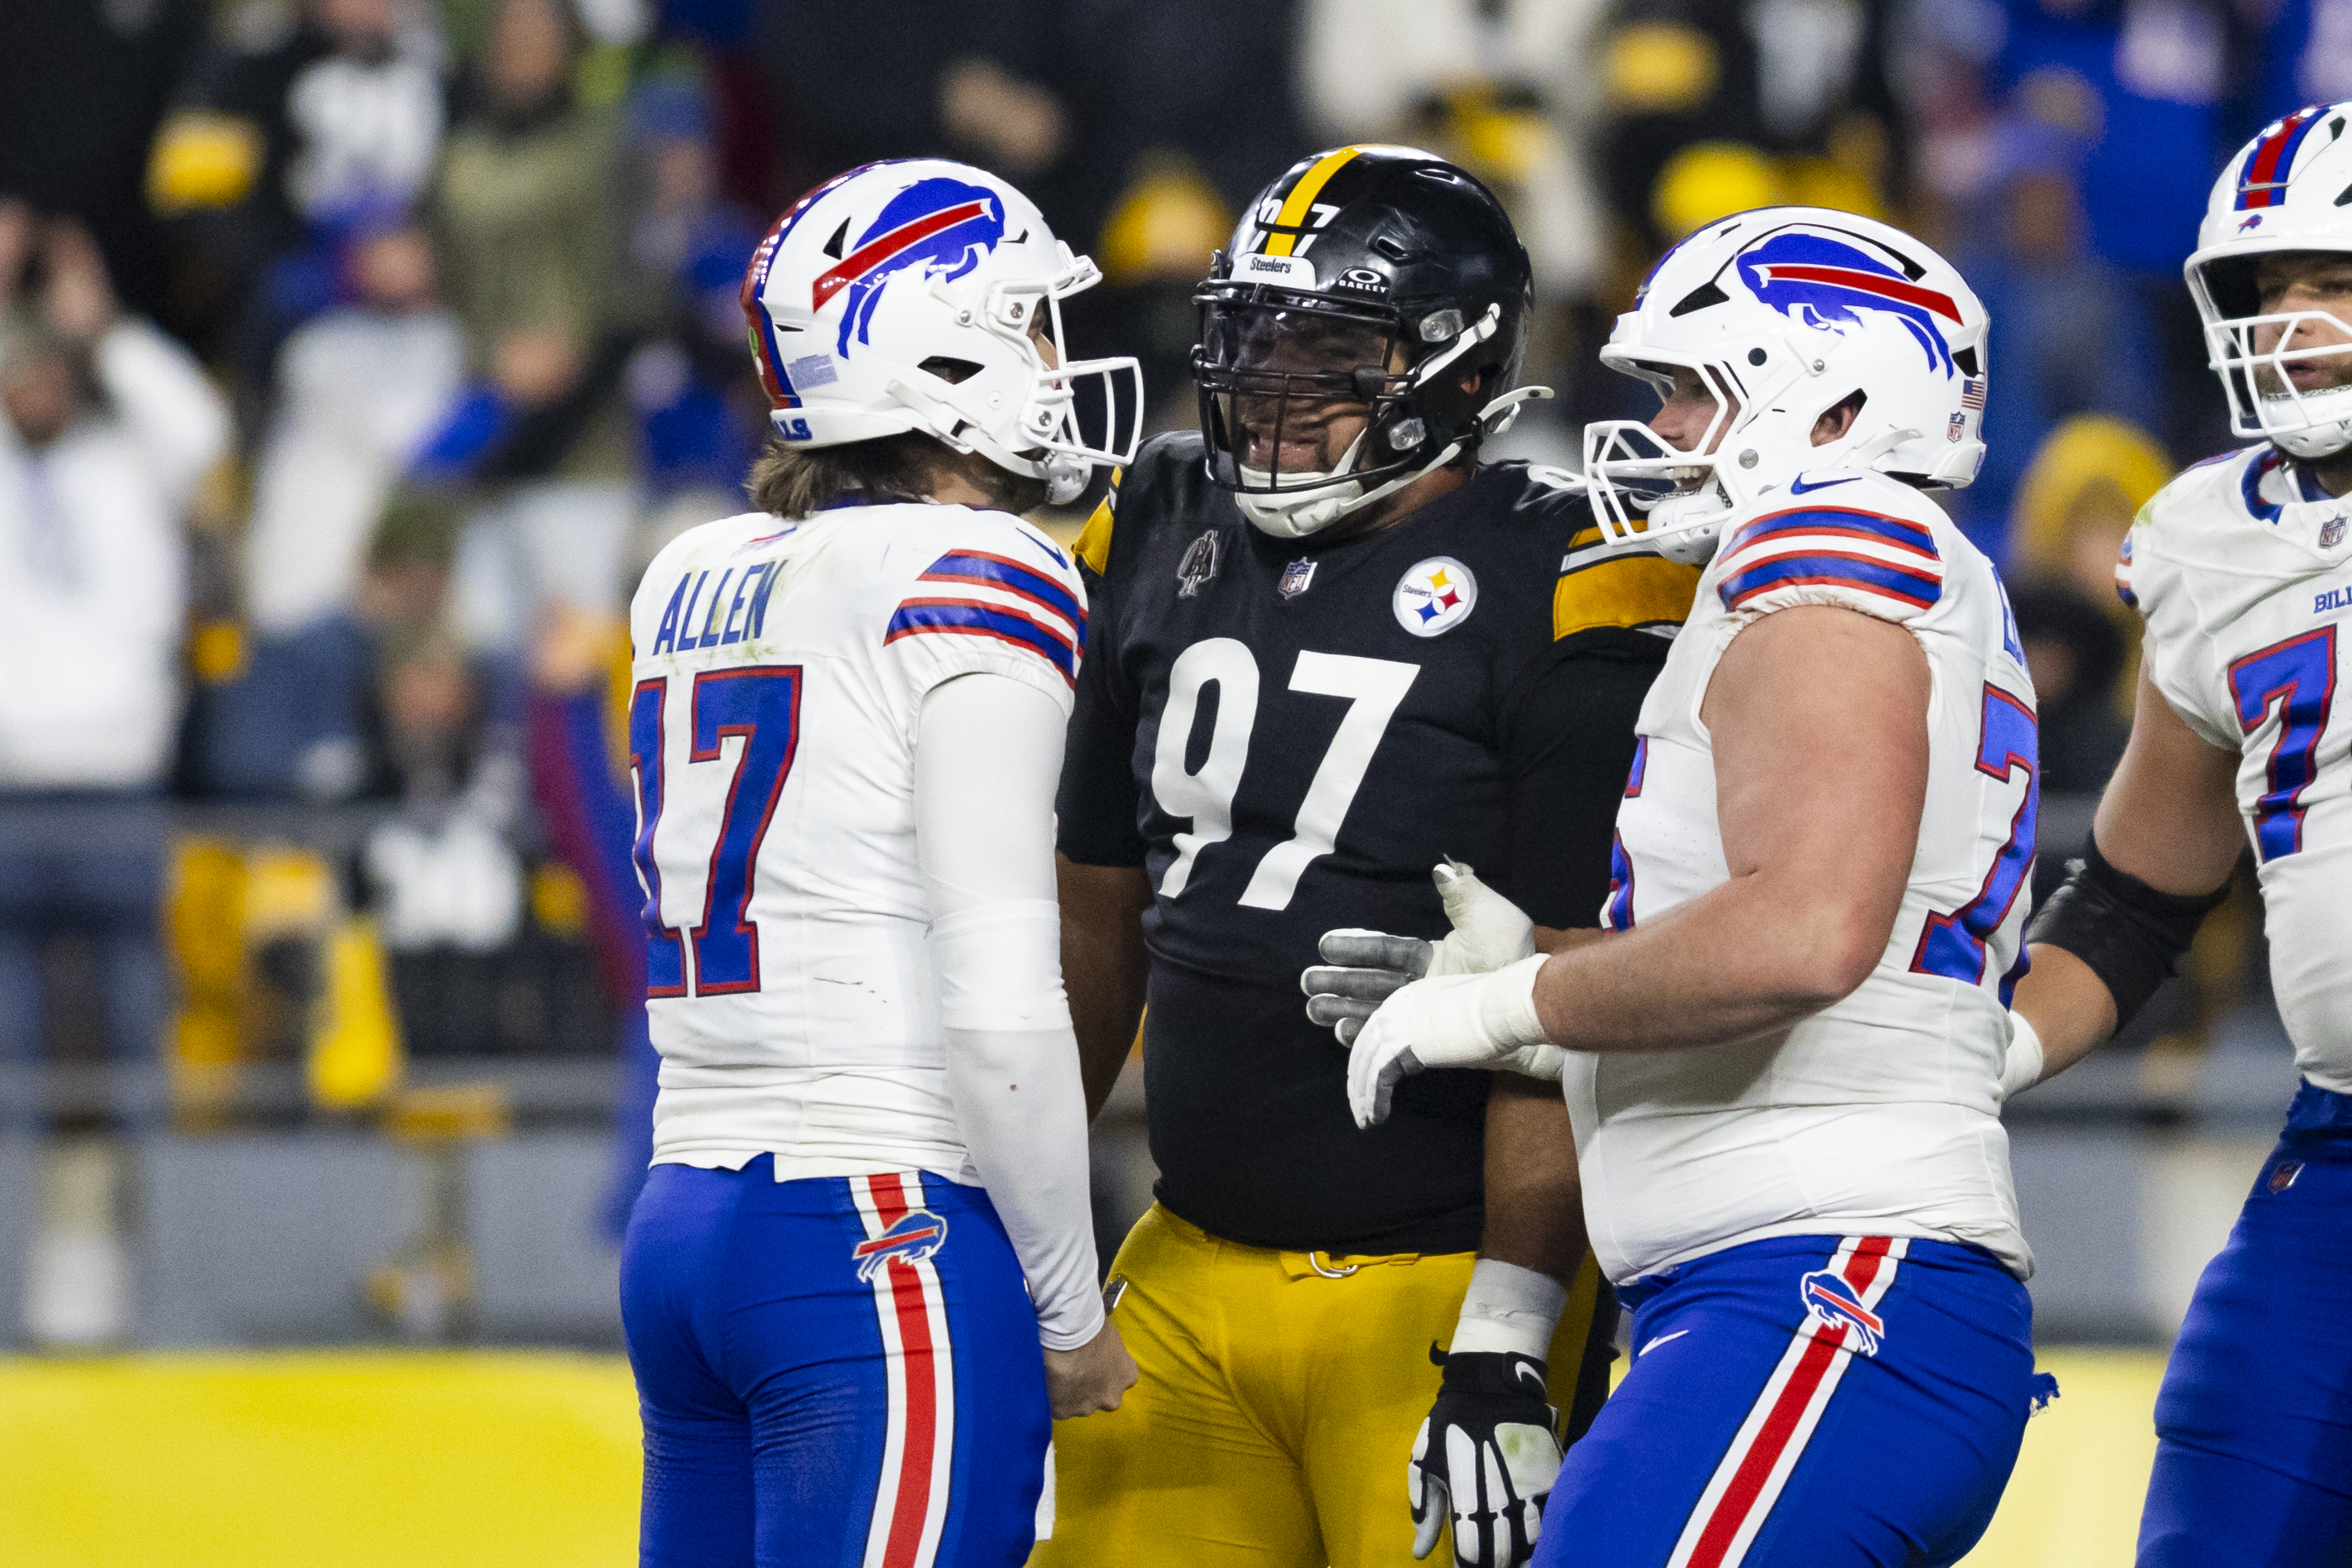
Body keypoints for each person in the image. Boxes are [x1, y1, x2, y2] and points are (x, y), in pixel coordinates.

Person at [1314, 207, 2050, 1565]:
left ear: (1835, 403)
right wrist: (1539, 959)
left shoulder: (1828, 549)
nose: (1661, 431)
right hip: (1794, 1282)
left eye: (1696, 391)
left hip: (1824, 1277)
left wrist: (1509, 1008)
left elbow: (1806, 934)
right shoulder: (1883, 566)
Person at [1044, 145, 1702, 1568]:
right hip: (1181, 1256)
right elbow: (1092, 904)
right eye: (1247, 344)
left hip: (1440, 1277)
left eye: (1330, 353)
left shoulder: (1575, 568)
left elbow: (1571, 978)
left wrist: (1508, 1336)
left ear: (1459, 372)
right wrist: (1030, 1220)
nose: (1271, 392)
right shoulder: (1157, 518)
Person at [617, 157, 1142, 1567]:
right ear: (939, 348)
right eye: (1026, 323)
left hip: (685, 1219)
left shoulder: (693, 570)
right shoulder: (981, 571)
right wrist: (1067, 1310)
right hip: (873, 1229)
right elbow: (998, 993)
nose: (1052, 359)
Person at [2004, 103, 2352, 1566]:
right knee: (2224, 1511)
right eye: (2267, 291)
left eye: (2334, 283)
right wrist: (1987, 1047)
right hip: (2338, 1154)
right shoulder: (2219, 539)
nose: (2295, 326)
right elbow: (2141, 888)